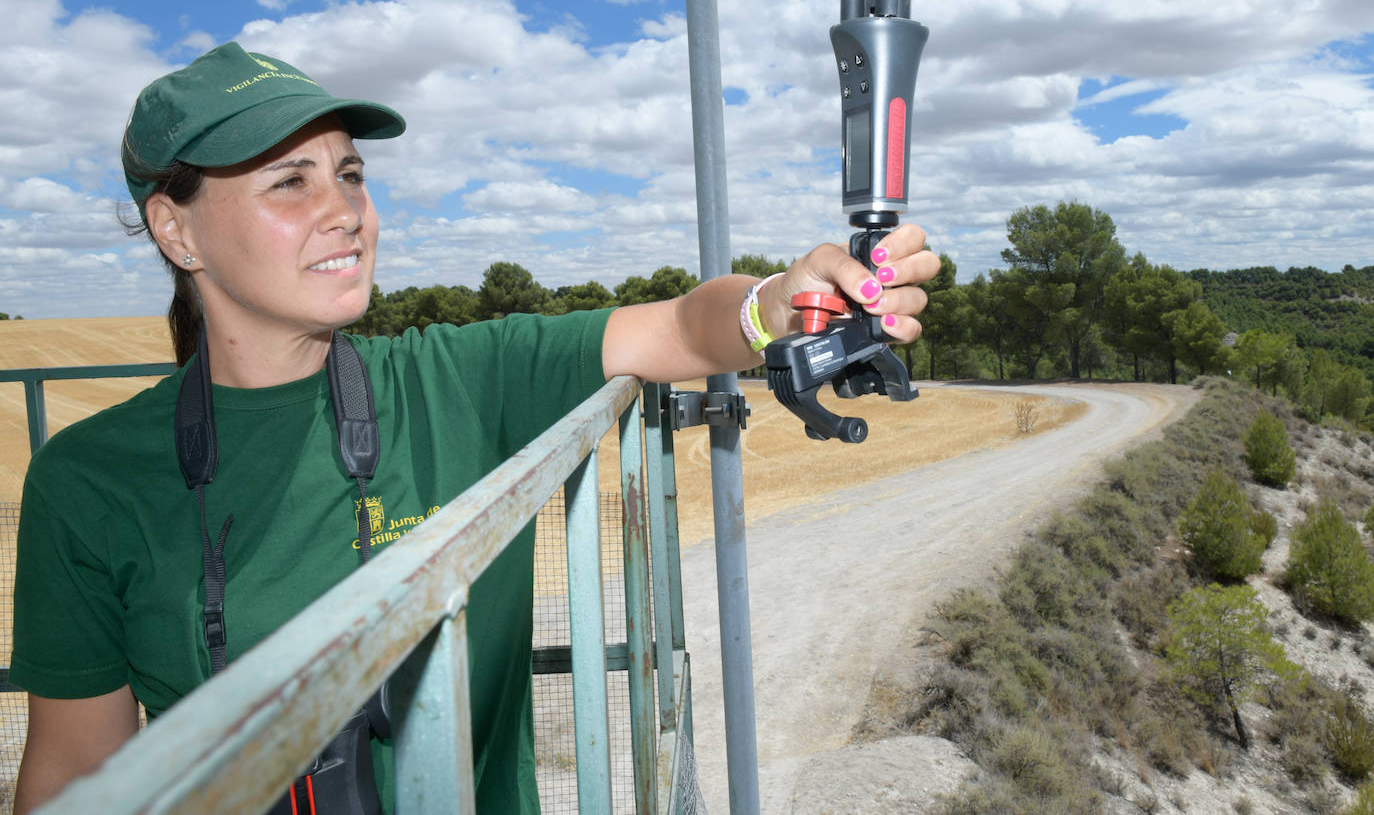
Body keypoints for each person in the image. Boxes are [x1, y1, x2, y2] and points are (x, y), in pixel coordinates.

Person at [9, 42, 940, 813]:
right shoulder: (88, 481)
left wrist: (780, 303)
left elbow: (682, 324)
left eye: (350, 173)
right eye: (290, 181)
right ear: (176, 232)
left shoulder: (458, 379)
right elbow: (74, 776)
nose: (345, 211)